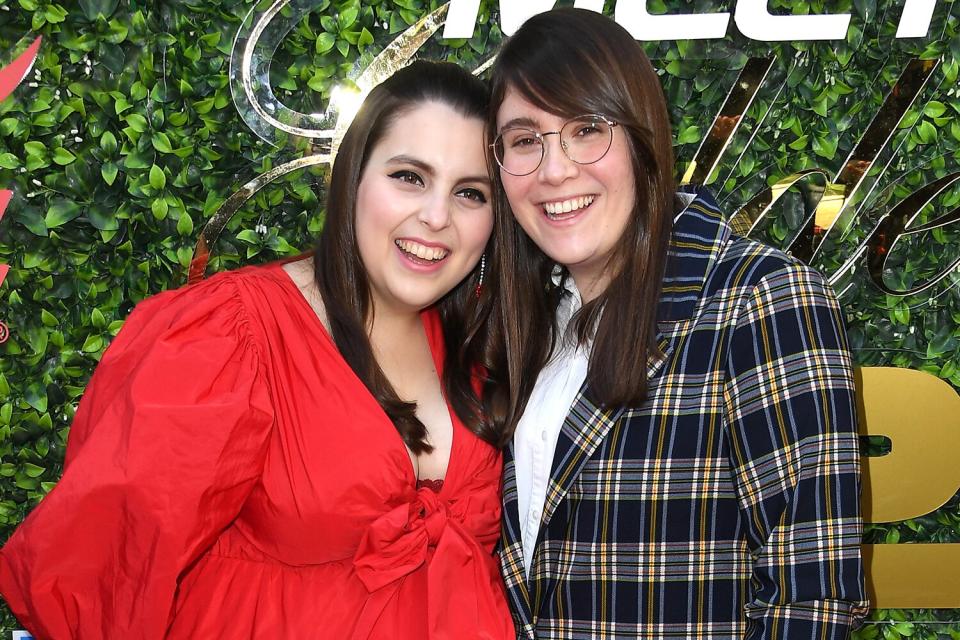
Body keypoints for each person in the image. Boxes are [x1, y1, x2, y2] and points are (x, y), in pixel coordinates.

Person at [0, 60, 515, 639]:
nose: (437, 216)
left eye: (470, 193)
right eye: (409, 177)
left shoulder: (483, 352)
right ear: (351, 178)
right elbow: (106, 561)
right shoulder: (233, 332)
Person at [485, 9, 869, 640]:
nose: (554, 171)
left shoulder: (759, 296)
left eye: (586, 130)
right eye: (525, 141)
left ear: (641, 137)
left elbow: (814, 600)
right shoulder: (526, 318)